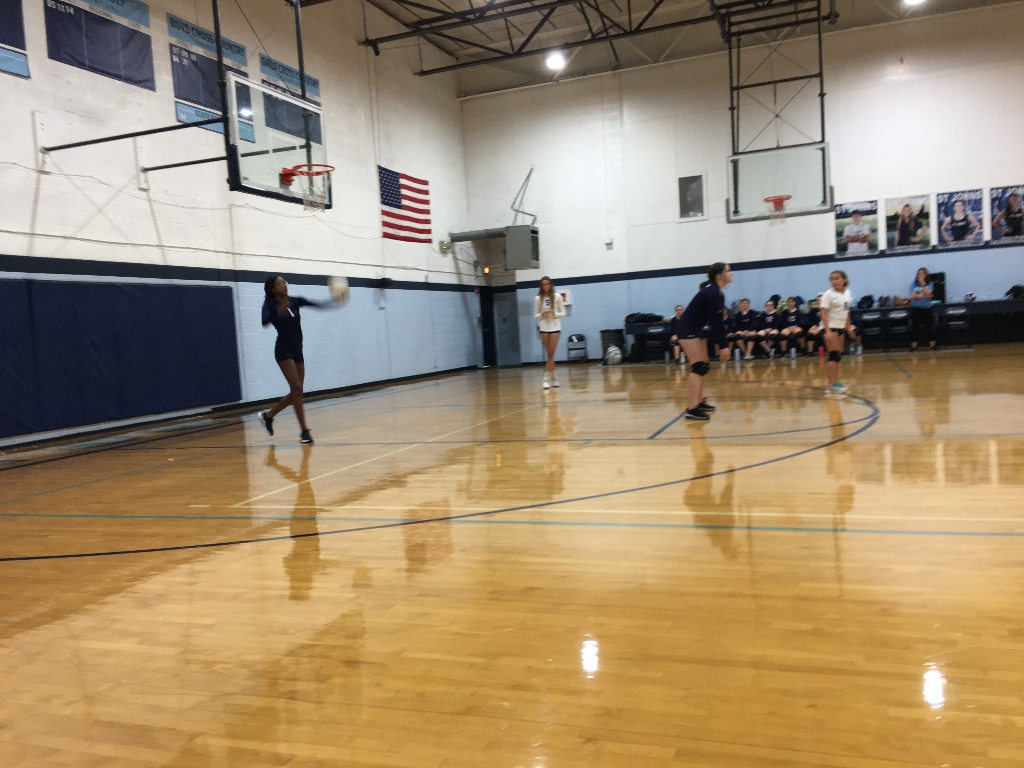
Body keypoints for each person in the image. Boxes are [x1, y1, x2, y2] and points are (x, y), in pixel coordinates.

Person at [259, 275, 334, 444]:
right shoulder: (269, 304)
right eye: (280, 283)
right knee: (297, 387)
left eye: (284, 282)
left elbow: (316, 304)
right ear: (273, 289)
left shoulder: (295, 301)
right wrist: (279, 310)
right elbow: (264, 321)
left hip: (297, 350)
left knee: (297, 392)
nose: (284, 285)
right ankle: (304, 431)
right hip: (283, 350)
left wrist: (333, 300)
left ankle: (268, 416)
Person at [677, 263, 732, 421]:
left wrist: (721, 344)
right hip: (686, 328)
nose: (731, 273)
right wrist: (723, 346)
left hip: (695, 328)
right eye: (728, 271)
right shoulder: (712, 292)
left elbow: (718, 321)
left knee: (704, 365)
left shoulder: (718, 293)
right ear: (719, 275)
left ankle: (698, 403)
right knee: (698, 366)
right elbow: (716, 322)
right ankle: (692, 408)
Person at [820, 270, 858, 394]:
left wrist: (849, 327)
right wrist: (827, 331)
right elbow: (823, 313)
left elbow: (846, 312)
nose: (834, 281)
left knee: (838, 355)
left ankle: (836, 382)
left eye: (837, 278)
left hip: (841, 327)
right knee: (833, 355)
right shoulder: (828, 294)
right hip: (831, 327)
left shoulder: (847, 293)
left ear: (844, 280)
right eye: (832, 279)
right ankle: (830, 384)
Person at [534, 276, 566, 390]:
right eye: (543, 284)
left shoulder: (557, 296)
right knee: (549, 355)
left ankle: (546, 379)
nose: (545, 286)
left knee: (551, 354)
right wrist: (541, 314)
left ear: (550, 284)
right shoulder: (538, 298)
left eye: (547, 284)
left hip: (555, 327)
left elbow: (564, 313)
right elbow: (535, 316)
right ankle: (554, 377)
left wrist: (554, 313)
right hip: (544, 327)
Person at [909, 267, 936, 351]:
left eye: (922, 273)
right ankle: (914, 346)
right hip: (916, 308)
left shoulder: (930, 284)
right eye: (919, 273)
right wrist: (925, 296)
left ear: (926, 275)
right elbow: (913, 296)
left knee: (929, 327)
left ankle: (932, 346)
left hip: (927, 308)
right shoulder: (913, 284)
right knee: (915, 327)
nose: (920, 275)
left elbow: (928, 293)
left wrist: (923, 284)